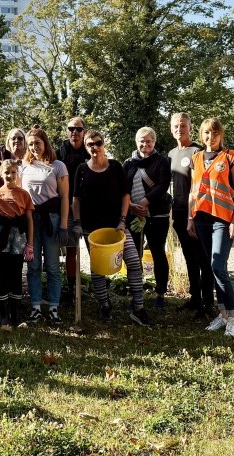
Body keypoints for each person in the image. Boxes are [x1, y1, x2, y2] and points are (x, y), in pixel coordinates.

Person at [74, 130, 152, 325]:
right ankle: (105, 306)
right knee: (98, 269)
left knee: (134, 262)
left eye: (98, 143)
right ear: (86, 147)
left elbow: (126, 195)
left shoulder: (116, 167)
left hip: (117, 226)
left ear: (104, 143)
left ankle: (139, 307)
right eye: (90, 144)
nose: (95, 147)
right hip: (91, 229)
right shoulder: (81, 170)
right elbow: (76, 199)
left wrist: (123, 220)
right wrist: (77, 223)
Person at [188, 118, 234, 338]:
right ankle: (222, 315)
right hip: (201, 219)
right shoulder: (196, 158)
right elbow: (193, 190)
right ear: (202, 135)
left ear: (221, 135)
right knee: (213, 268)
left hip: (223, 219)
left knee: (218, 265)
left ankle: (233, 318)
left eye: (215, 133)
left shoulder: (232, 158)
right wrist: (190, 218)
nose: (210, 137)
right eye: (206, 133)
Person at [21, 127, 69, 324]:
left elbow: (65, 196)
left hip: (52, 218)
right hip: (31, 220)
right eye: (30, 144)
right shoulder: (23, 166)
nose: (34, 147)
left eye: (37, 143)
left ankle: (54, 307)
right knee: (33, 266)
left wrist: (64, 224)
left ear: (45, 143)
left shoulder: (58, 166)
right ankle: (35, 307)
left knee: (52, 266)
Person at [123, 127, 173, 308]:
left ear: (154, 142)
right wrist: (131, 206)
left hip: (157, 214)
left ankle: (160, 293)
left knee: (157, 252)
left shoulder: (162, 161)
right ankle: (136, 293)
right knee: (133, 254)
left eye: (148, 141)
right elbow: (123, 187)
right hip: (133, 214)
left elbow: (163, 184)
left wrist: (145, 201)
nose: (145, 144)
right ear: (136, 142)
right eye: (141, 141)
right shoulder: (128, 163)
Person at [167, 112, 208, 316]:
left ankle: (208, 303)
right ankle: (195, 299)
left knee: (202, 259)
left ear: (190, 128)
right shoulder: (172, 154)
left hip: (197, 214)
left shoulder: (197, 152)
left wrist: (194, 215)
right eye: (175, 126)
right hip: (180, 212)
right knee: (189, 257)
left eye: (183, 126)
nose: (179, 129)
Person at [0, 159, 34, 331]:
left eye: (13, 172)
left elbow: (29, 220)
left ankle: (16, 316)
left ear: (17, 173)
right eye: (6, 172)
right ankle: (3, 317)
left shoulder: (24, 194)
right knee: (3, 276)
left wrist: (30, 244)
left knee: (16, 274)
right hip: (2, 238)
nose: (10, 176)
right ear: (1, 173)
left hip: (19, 238)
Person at [56, 117, 90, 305]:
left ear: (84, 131)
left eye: (78, 129)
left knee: (93, 249)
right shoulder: (59, 153)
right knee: (71, 250)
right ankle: (72, 289)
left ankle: (98, 286)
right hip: (67, 208)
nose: (74, 132)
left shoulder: (92, 149)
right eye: (71, 129)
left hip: (89, 208)